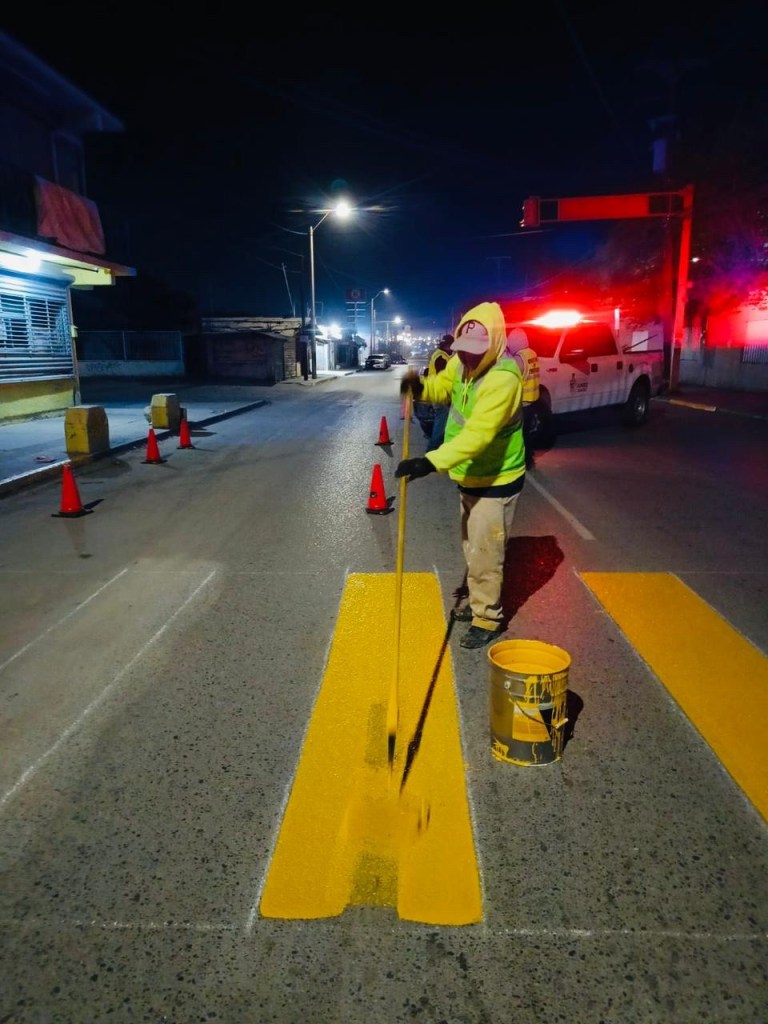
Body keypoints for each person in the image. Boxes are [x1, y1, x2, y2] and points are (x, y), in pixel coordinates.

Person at [395, 301, 526, 649]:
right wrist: (421, 388)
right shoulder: (461, 361)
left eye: (475, 351)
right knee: (473, 548)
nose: (467, 357)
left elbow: (477, 436)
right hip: (469, 476)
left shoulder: (503, 379)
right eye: (463, 349)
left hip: (496, 480)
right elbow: (443, 387)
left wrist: (429, 462)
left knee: (485, 555)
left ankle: (488, 618)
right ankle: (480, 599)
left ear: (494, 344)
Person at [505, 326, 541, 470]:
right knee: (526, 433)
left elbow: (510, 380)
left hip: (521, 403)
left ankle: (521, 462)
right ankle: (528, 460)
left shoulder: (519, 359)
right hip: (532, 401)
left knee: (518, 435)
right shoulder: (532, 354)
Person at [423, 334, 454, 450]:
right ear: (448, 345)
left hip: (437, 391)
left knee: (442, 419)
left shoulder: (441, 354)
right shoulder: (441, 357)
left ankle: (438, 445)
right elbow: (444, 376)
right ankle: (432, 448)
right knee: (441, 421)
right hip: (440, 393)